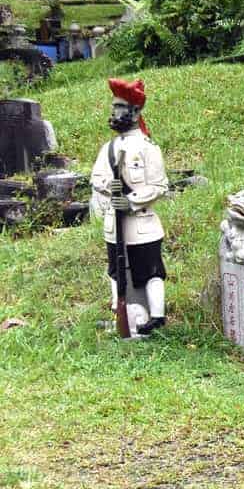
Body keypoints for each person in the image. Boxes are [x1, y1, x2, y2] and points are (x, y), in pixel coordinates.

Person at [90, 77, 169, 335]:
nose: (115, 112)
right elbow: (97, 177)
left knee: (149, 271)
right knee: (116, 272)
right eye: (114, 106)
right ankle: (120, 315)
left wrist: (132, 200)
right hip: (115, 225)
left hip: (141, 224)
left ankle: (156, 317)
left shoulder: (148, 148)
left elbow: (159, 186)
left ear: (136, 111)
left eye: (120, 106)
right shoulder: (110, 147)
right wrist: (107, 186)